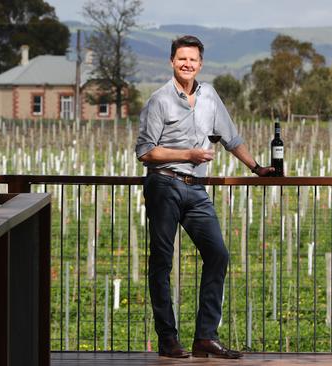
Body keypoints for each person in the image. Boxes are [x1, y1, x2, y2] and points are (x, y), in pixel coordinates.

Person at [136, 35, 273, 359]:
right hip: (164, 184)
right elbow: (145, 152)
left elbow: (231, 137)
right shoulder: (159, 100)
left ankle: (205, 338)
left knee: (218, 255)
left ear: (200, 63)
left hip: (196, 189)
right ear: (172, 62)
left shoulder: (210, 95)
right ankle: (168, 339)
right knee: (161, 262)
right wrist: (187, 154)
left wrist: (256, 168)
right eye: (182, 59)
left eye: (193, 60)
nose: (187, 64)